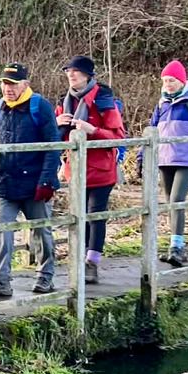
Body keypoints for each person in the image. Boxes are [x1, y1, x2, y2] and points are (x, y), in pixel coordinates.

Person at [0, 62, 60, 299]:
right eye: (4, 83)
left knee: (41, 231)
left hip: (35, 181)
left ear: (25, 84)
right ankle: (0, 280)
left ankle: (45, 275)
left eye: (13, 84)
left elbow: (53, 146)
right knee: (1, 231)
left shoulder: (40, 106)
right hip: (7, 181)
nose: (8, 89)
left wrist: (47, 181)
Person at [56, 55, 125, 285]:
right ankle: (79, 259)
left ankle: (92, 262)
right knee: (79, 216)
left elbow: (118, 136)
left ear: (88, 75)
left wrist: (92, 129)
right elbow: (55, 139)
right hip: (75, 169)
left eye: (76, 71)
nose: (71, 75)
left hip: (101, 169)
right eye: (68, 71)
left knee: (96, 215)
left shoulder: (104, 98)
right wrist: (59, 125)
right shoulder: (64, 101)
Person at [149, 59, 188, 268]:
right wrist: (143, 159)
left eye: (172, 80)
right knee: (170, 203)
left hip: (187, 158)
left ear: (181, 81)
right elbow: (152, 130)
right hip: (165, 158)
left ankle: (177, 246)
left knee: (177, 199)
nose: (168, 84)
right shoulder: (161, 102)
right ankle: (175, 245)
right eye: (165, 80)